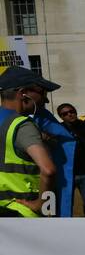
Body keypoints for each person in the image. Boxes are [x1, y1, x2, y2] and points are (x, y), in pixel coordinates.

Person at [0, 70, 57, 218]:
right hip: (21, 215)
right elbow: (48, 170)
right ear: (23, 93)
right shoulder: (23, 125)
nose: (46, 100)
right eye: (42, 92)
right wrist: (40, 204)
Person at [56, 102, 85, 217]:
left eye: (72, 111)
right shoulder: (58, 129)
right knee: (66, 204)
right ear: (61, 117)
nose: (70, 114)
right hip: (67, 174)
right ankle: (67, 227)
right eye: (65, 113)